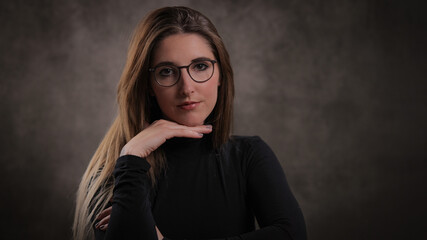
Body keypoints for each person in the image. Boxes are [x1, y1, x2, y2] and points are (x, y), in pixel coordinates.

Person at [73, 6, 307, 240]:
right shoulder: (123, 169)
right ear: (148, 85)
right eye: (167, 71)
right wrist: (132, 155)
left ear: (220, 76)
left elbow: (293, 235)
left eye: (201, 66)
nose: (187, 87)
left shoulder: (249, 155)